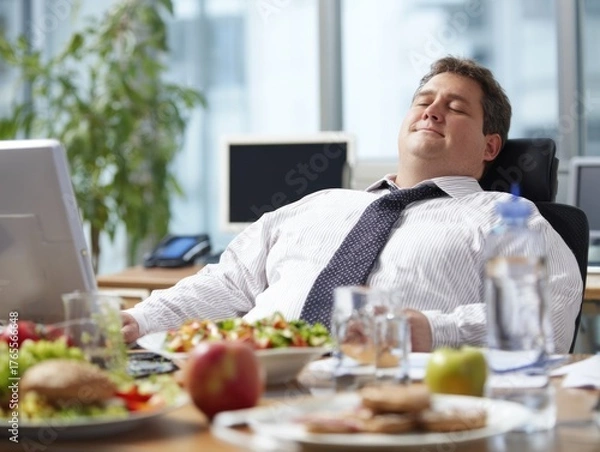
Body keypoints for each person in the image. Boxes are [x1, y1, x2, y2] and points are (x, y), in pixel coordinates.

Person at [122, 56, 582, 353]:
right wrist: (139, 319)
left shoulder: (506, 217)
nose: (432, 110)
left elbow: (547, 324)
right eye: (423, 100)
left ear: (489, 146)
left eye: (456, 107)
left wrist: (429, 330)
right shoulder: (317, 205)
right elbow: (227, 283)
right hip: (248, 382)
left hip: (391, 398)